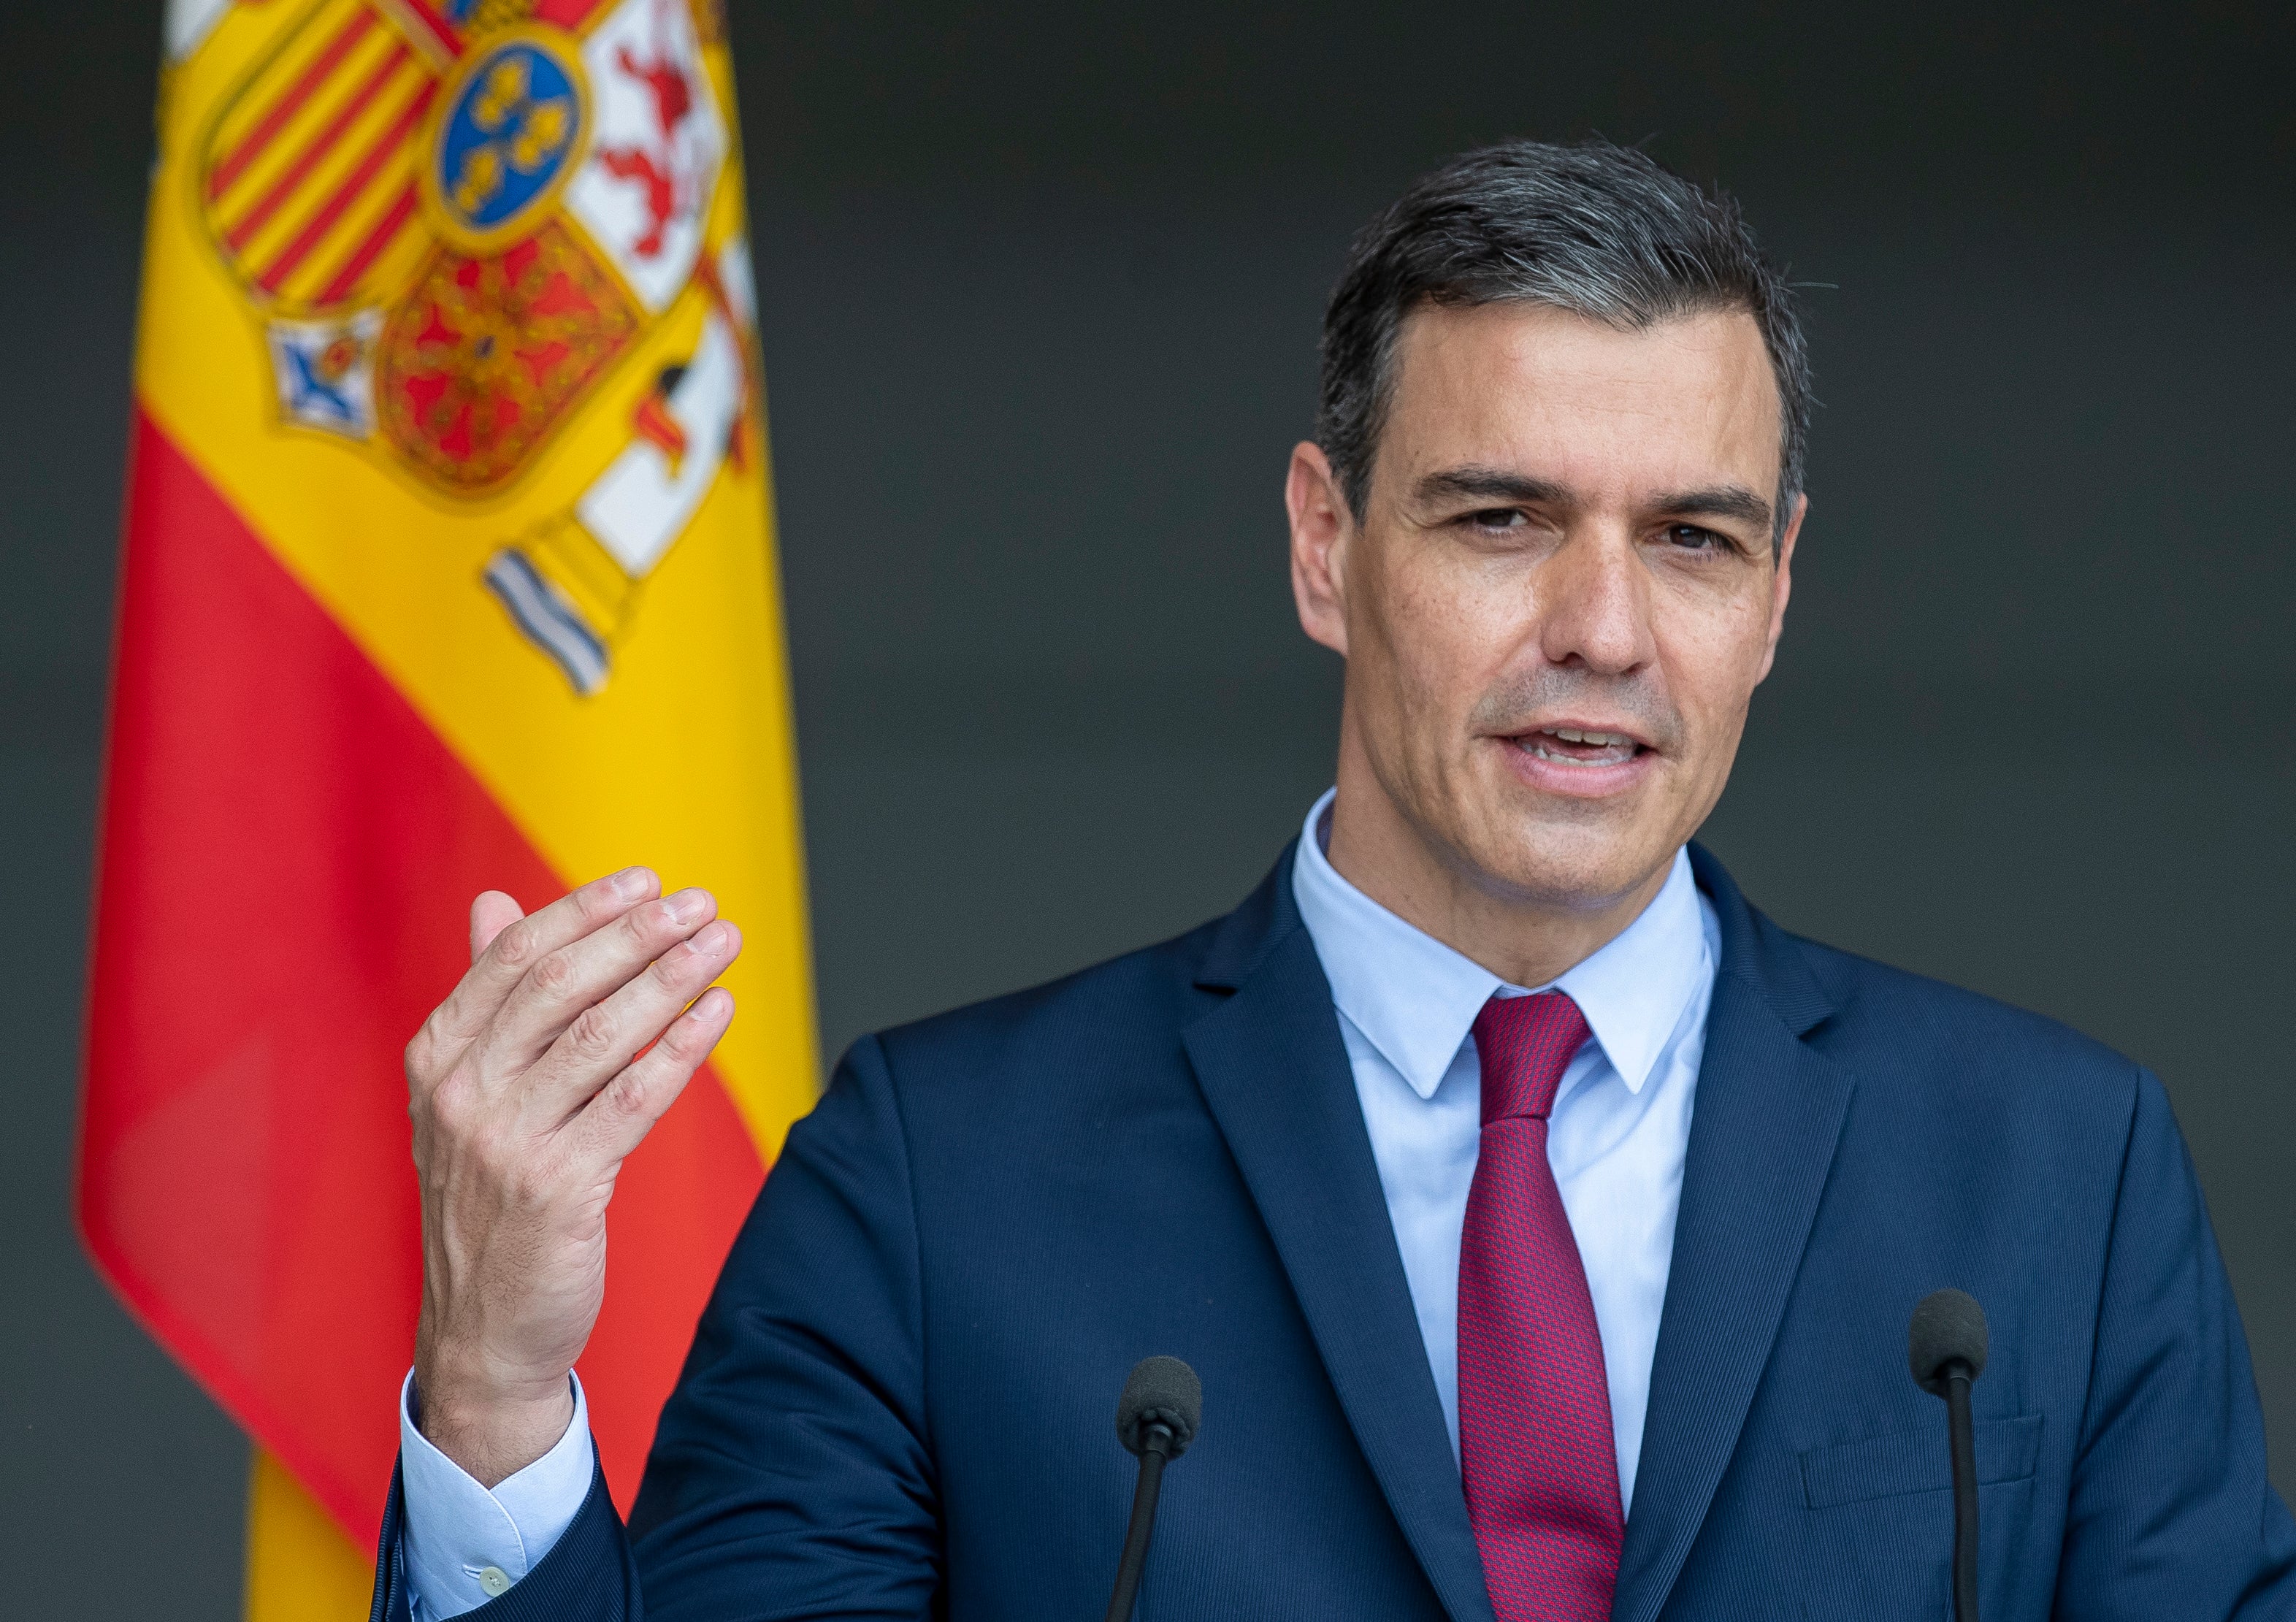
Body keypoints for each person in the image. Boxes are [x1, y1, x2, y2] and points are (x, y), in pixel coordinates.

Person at [373, 141, 2295, 1621]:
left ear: (1778, 595)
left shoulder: (2064, 1175)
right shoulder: (931, 1175)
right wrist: (494, 1398)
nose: (1603, 629)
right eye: (1502, 519)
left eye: (1693, 541)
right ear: (1324, 544)